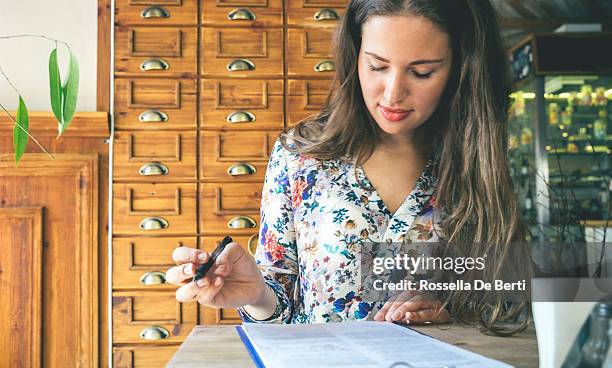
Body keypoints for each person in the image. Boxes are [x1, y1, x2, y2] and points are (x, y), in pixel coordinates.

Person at [166, 0, 529, 332]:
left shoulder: (480, 157)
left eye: (421, 72)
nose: (392, 94)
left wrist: (455, 306)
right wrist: (257, 293)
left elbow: (516, 299)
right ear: (355, 56)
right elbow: (283, 310)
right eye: (377, 66)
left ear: (461, 68)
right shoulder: (301, 155)